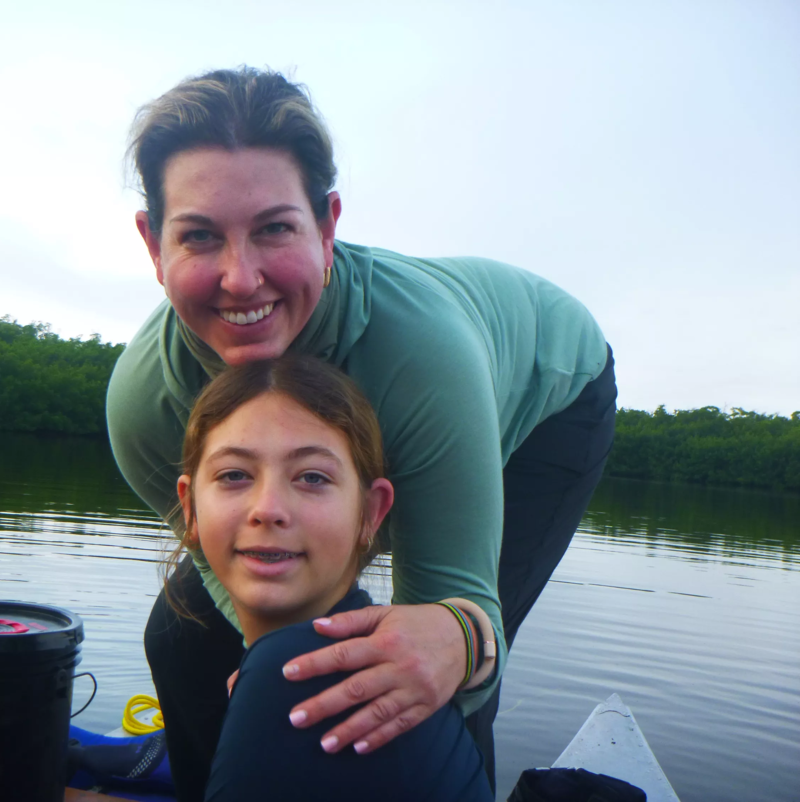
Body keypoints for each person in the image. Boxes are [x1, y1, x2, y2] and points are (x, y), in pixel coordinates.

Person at [107, 65, 617, 800]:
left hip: (546, 402)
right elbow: (240, 586)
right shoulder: (145, 406)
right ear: (154, 245)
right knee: (184, 637)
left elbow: (461, 625)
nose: (241, 278)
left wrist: (459, 638)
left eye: (275, 228)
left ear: (327, 227)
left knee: (418, 676)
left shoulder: (425, 360)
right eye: (200, 236)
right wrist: (263, 672)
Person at [174, 355, 492, 801]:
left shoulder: (294, 669)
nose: (268, 508)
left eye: (311, 477)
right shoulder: (384, 661)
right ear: (190, 508)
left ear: (370, 514)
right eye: (234, 475)